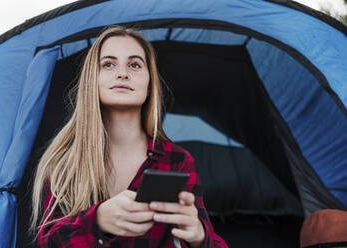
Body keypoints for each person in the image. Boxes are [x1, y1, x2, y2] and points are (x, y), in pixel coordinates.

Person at [31, 25, 228, 248]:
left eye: (135, 65)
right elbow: (48, 242)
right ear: (91, 81)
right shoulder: (65, 162)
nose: (122, 73)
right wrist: (97, 221)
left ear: (149, 84)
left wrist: (200, 237)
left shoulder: (177, 161)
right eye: (108, 64)